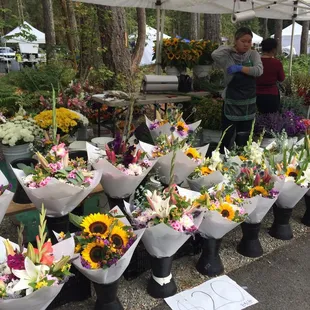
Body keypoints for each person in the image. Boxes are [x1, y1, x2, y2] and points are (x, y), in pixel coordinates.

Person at [211, 27, 263, 151]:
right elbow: (214, 54)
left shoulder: (253, 54)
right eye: (243, 41)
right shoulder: (228, 56)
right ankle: (222, 158)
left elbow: (258, 70)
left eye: (249, 41)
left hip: (248, 103)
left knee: (243, 136)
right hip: (231, 101)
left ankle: (242, 160)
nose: (246, 44)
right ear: (236, 40)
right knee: (227, 134)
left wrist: (240, 68)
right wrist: (231, 48)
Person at [256, 38, 285, 114]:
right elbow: (281, 78)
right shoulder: (277, 63)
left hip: (256, 93)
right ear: (273, 49)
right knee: (271, 120)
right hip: (272, 94)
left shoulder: (256, 62)